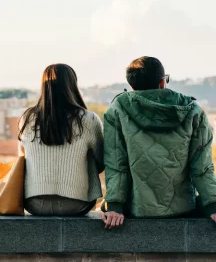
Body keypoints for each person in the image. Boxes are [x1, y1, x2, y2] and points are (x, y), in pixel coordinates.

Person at [102, 57, 216, 229]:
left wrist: (115, 206)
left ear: (132, 87)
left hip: (136, 208)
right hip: (183, 207)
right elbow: (202, 167)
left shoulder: (117, 110)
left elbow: (116, 164)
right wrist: (212, 206)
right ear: (162, 83)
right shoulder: (193, 111)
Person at [19, 64, 104, 216]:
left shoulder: (27, 118)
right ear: (72, 85)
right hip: (76, 203)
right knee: (89, 155)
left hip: (33, 203)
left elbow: (21, 158)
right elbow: (101, 162)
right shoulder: (89, 119)